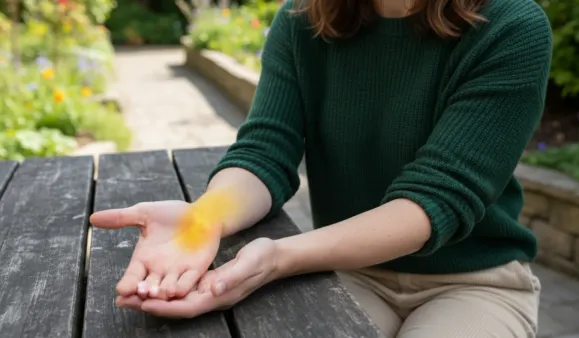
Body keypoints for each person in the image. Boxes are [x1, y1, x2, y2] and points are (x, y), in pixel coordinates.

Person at [89, 0, 552, 336]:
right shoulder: (301, 21)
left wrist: (279, 258)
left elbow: (436, 199)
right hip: (345, 270)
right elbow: (265, 152)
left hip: (471, 282)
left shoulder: (511, 26)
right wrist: (204, 219)